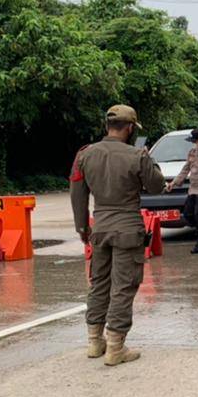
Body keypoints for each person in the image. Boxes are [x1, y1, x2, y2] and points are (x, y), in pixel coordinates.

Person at [70, 104, 165, 366]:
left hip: (99, 228)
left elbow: (77, 194)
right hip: (127, 229)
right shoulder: (137, 155)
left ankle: (94, 341)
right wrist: (148, 160)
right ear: (131, 128)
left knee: (99, 283)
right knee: (123, 286)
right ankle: (115, 347)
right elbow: (157, 187)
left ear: (107, 126)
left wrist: (82, 228)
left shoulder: (85, 155)